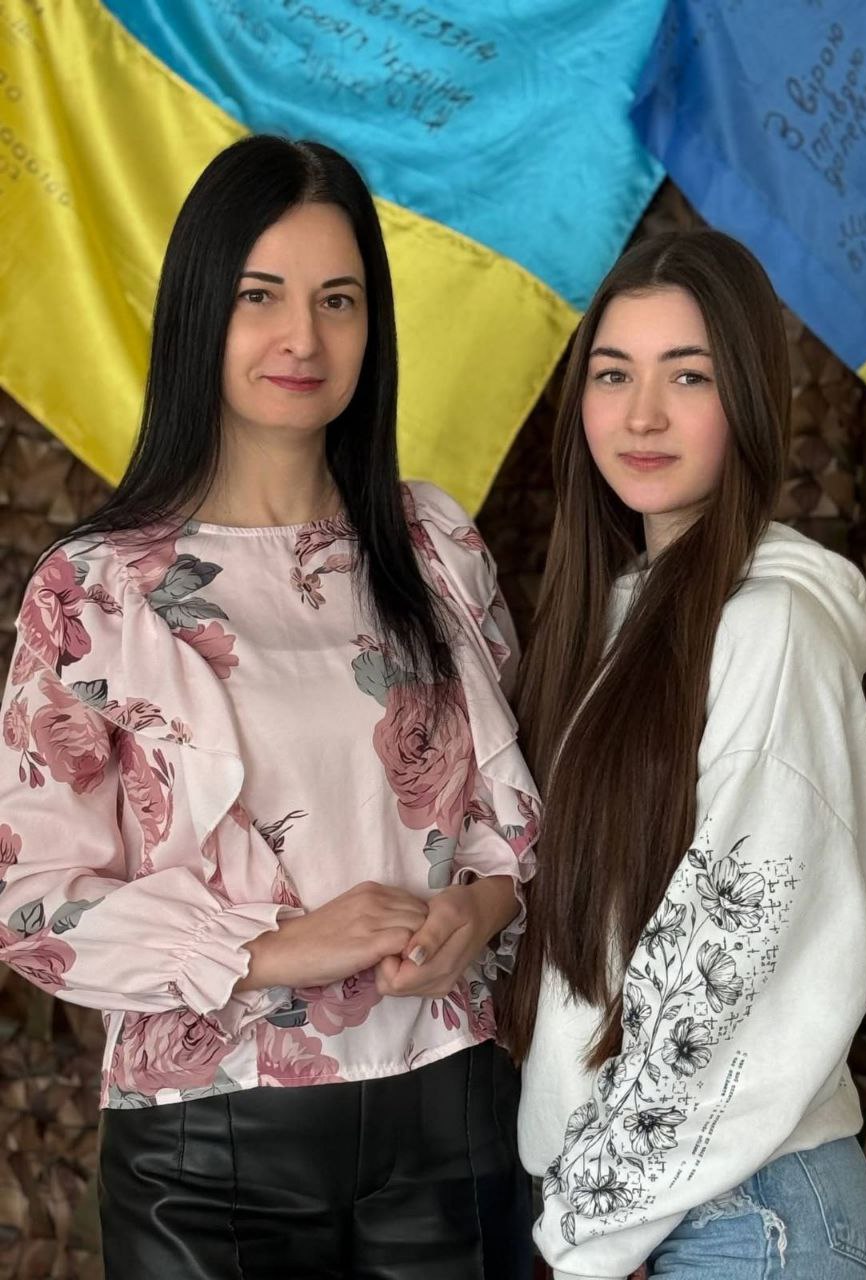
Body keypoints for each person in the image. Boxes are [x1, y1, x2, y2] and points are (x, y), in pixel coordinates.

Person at [0, 134, 539, 1279]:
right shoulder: (96, 590)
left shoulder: (435, 546)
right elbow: (31, 899)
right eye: (261, 296)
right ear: (201, 310)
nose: (304, 337)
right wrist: (276, 947)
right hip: (209, 1148)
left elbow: (511, 824)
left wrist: (479, 908)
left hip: (451, 1112)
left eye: (338, 300)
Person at [498, 230, 866, 1279]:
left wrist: (590, 1235)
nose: (642, 415)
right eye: (612, 374)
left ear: (748, 399)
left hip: (744, 1212)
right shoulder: (613, 618)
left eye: (689, 376)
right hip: (641, 1206)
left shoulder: (772, 628)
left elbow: (731, 952)